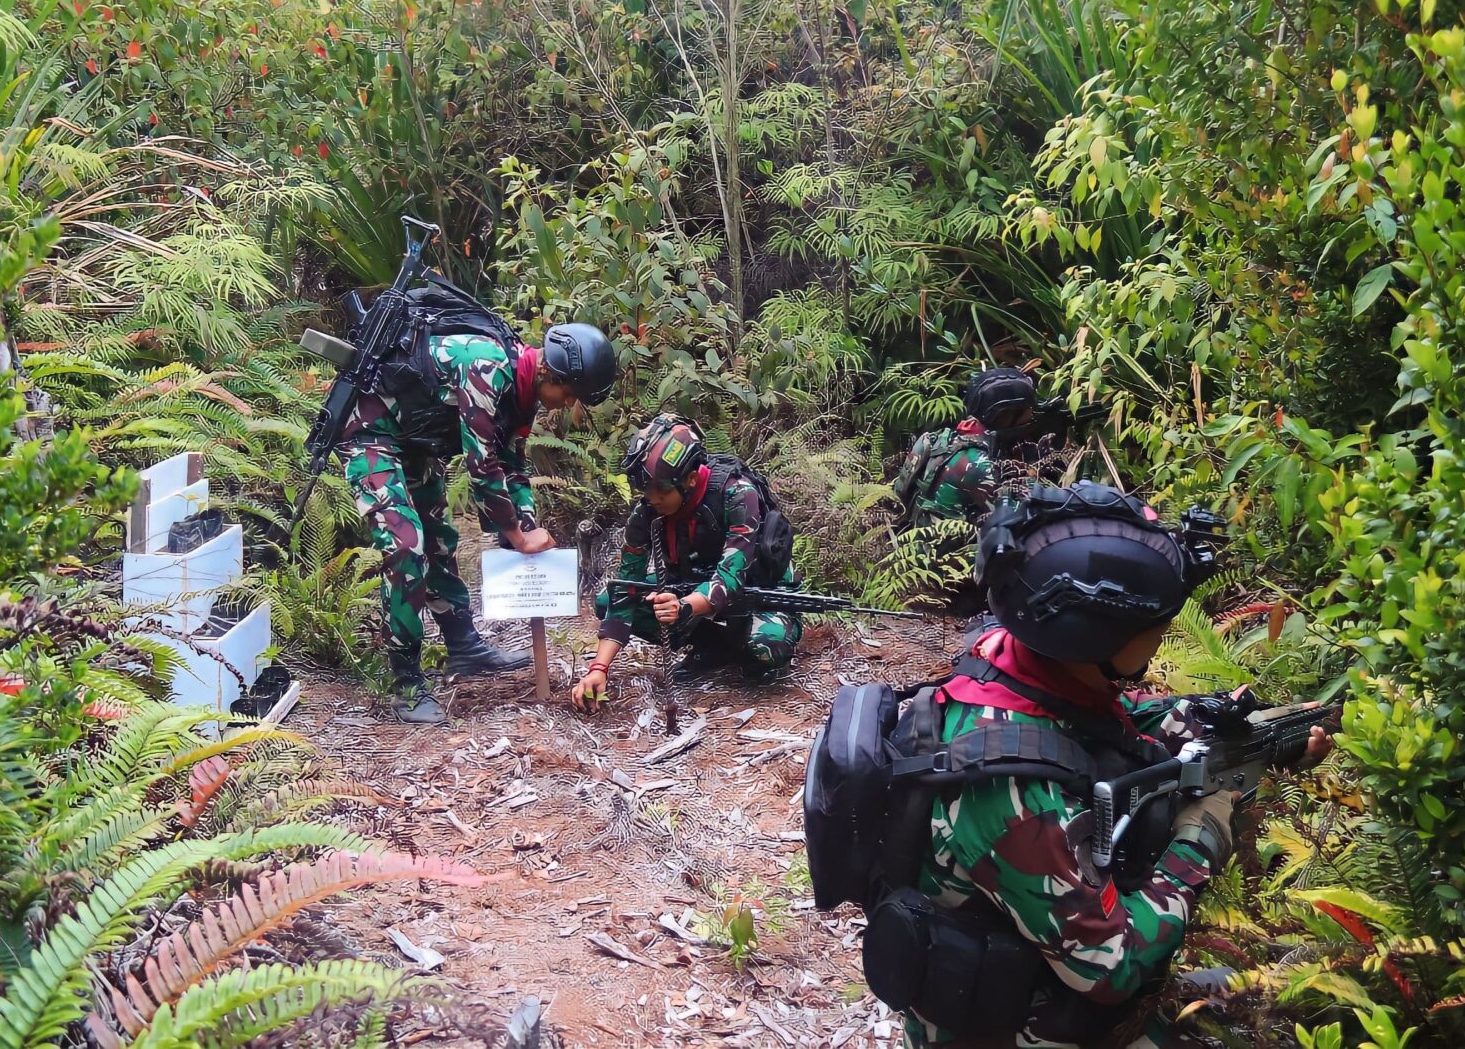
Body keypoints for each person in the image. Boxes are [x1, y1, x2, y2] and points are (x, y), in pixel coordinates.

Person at [895, 481, 1333, 1047]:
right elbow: (1111, 968)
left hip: (1028, 975)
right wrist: (1203, 832)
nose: (1163, 631)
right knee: (1252, 1010)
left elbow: (1110, 721)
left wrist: (1247, 733)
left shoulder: (1014, 658)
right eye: (1154, 624)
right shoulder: (1007, 792)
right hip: (1001, 1025)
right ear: (1096, 637)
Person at [340, 317, 616, 724]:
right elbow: (482, 466)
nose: (566, 404)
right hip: (370, 433)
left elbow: (512, 463)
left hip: (413, 441)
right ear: (548, 372)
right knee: (406, 547)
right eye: (569, 393)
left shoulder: (522, 389)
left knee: (440, 539)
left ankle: (463, 644)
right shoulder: (485, 367)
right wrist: (516, 538)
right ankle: (407, 684)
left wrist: (523, 521)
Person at [570, 414, 801, 712]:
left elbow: (731, 577)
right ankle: (711, 646)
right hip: (691, 589)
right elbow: (624, 593)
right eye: (647, 491)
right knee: (606, 602)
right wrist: (598, 668)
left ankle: (743, 643)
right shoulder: (647, 513)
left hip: (760, 590)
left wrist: (684, 607)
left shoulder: (737, 494)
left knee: (766, 648)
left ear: (690, 479)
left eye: (662, 491)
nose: (653, 500)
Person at [893, 365, 1070, 532]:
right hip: (947, 557)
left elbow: (898, 495)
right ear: (1005, 415)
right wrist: (1035, 471)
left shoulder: (937, 440)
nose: (1032, 416)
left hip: (917, 542)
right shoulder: (976, 464)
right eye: (1028, 411)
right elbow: (1029, 517)